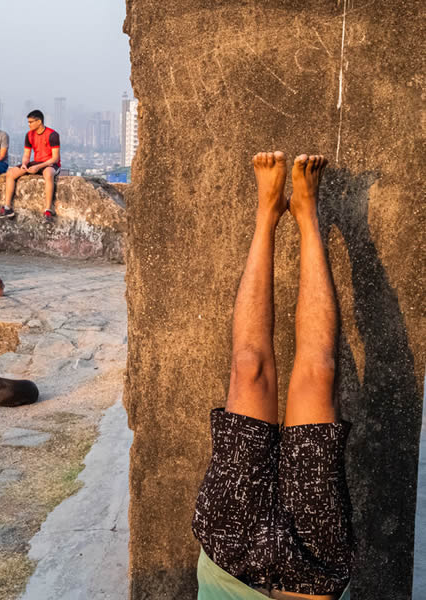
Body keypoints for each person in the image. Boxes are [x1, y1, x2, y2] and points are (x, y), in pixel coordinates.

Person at [192, 152, 353, 599]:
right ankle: (307, 216)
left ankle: (266, 215)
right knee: (320, 373)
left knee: (249, 368)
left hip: (231, 557)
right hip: (312, 574)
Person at [0, 109, 61, 222]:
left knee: (48, 174)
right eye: (28, 122)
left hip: (50, 163)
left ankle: (48, 210)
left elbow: (55, 158)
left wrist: (39, 167)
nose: (29, 124)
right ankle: (7, 208)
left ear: (39, 122)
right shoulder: (29, 135)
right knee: (11, 173)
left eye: (31, 122)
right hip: (36, 162)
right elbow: (26, 154)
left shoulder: (52, 135)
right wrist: (25, 164)